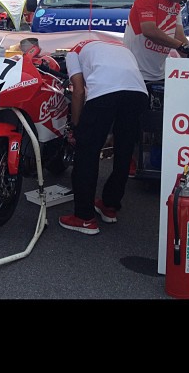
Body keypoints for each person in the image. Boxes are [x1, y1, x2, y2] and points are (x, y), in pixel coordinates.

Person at [58, 39, 149, 234]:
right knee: (124, 152)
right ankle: (110, 205)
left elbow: (78, 90)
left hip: (105, 92)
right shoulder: (121, 47)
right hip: (138, 94)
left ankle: (84, 217)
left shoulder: (74, 51)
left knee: (86, 152)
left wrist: (76, 126)